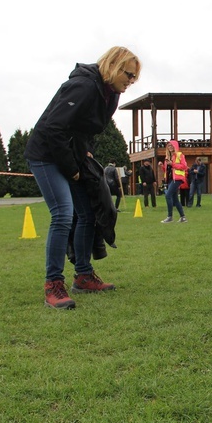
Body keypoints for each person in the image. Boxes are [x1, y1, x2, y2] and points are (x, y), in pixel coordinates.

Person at [24, 46, 141, 309]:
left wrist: (85, 154)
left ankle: (84, 276)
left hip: (71, 154)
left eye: (134, 77)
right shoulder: (85, 86)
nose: (131, 81)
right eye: (128, 74)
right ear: (113, 65)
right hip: (46, 155)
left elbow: (84, 128)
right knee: (63, 213)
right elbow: (55, 127)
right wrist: (71, 168)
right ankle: (53, 284)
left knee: (88, 213)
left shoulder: (109, 93)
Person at [161, 140, 188, 223]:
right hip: (171, 179)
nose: (170, 147)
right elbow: (167, 170)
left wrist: (172, 164)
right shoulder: (168, 157)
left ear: (175, 146)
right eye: (169, 146)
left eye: (171, 145)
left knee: (168, 195)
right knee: (175, 199)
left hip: (178, 178)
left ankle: (170, 216)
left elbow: (184, 166)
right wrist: (162, 166)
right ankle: (183, 217)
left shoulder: (180, 155)